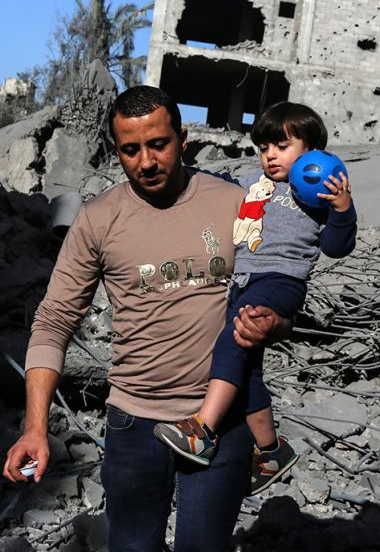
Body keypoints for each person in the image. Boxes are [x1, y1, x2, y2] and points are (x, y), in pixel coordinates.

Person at [3, 86, 290, 552]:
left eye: (158, 145)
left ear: (183, 138)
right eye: (130, 150)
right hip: (135, 427)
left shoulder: (236, 205)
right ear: (116, 151)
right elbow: (53, 322)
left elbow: (279, 287)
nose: (146, 161)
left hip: (220, 424)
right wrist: (35, 427)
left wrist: (275, 321)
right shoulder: (98, 219)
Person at [152, 102, 356, 496]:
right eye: (264, 148)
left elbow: (336, 246)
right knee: (246, 372)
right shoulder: (251, 181)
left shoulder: (318, 188)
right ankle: (270, 450)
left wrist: (342, 209)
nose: (270, 156)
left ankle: (202, 430)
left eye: (281, 146)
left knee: (233, 341)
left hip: (281, 281)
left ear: (312, 150)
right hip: (242, 281)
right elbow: (215, 183)